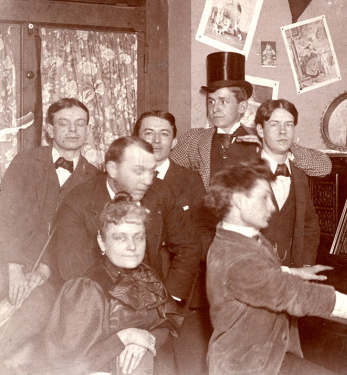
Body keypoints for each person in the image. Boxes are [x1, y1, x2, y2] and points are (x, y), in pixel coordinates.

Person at [204, 161, 347, 375]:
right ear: (238, 202)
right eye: (264, 198)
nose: (272, 206)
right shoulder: (237, 259)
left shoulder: (238, 237)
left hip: (267, 357)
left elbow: (261, 275)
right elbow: (294, 294)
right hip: (248, 368)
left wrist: (291, 272)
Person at [33, 193, 183, 374]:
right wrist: (124, 337)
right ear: (101, 242)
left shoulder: (147, 275)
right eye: (120, 238)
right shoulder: (87, 289)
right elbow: (64, 364)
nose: (132, 247)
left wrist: (145, 340)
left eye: (139, 237)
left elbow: (166, 322)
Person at [0, 98, 99, 363]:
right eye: (63, 124)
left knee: (37, 309)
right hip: (8, 261)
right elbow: (5, 216)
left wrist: (44, 270)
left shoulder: (94, 178)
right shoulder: (25, 162)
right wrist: (13, 267)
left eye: (80, 124)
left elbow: (82, 242)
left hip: (54, 274)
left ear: (88, 130)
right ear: (50, 130)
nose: (72, 131)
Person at [55, 136, 201, 303]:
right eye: (138, 171)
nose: (147, 180)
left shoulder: (160, 191)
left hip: (154, 299)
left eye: (151, 171)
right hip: (101, 301)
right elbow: (73, 270)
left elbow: (189, 245)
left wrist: (170, 298)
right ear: (112, 169)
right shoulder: (77, 202)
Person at [170, 51, 332, 190]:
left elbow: (324, 166)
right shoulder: (195, 140)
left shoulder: (261, 138)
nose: (215, 108)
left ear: (242, 107)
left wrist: (280, 149)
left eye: (223, 101)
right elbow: (166, 170)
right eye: (211, 101)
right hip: (208, 225)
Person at [133, 110, 214, 259]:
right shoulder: (124, 177)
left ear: (174, 142)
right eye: (149, 133)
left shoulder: (191, 180)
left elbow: (203, 233)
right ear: (137, 140)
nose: (156, 141)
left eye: (164, 134)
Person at [256, 99, 320, 268]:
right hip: (253, 276)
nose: (283, 131)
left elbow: (310, 225)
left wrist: (306, 266)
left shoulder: (299, 175)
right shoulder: (243, 173)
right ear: (260, 130)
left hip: (291, 275)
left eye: (289, 125)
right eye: (274, 125)